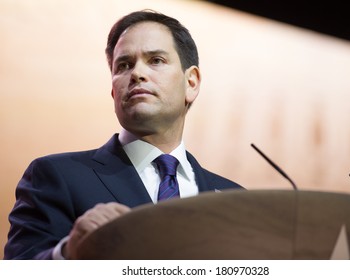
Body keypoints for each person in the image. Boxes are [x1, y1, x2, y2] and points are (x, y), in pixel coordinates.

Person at [4, 10, 243, 260]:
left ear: (191, 82)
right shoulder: (57, 175)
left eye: (156, 60)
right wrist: (68, 253)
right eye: (124, 65)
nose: (137, 73)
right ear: (113, 91)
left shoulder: (235, 199)